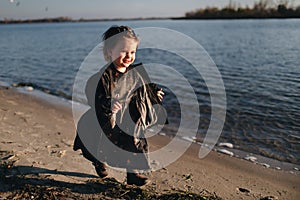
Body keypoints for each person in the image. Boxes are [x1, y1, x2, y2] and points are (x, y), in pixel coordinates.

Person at [74, 25, 165, 186]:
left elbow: (145, 87)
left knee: (134, 143)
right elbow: (94, 95)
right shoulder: (103, 77)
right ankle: (98, 162)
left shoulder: (136, 72)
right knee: (99, 146)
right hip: (108, 119)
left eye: (133, 52)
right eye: (124, 51)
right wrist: (108, 103)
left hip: (130, 117)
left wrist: (154, 92)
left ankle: (133, 174)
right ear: (109, 51)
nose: (129, 56)